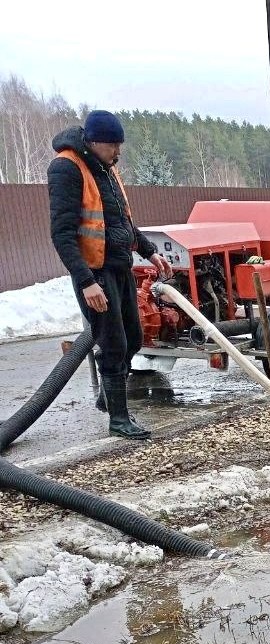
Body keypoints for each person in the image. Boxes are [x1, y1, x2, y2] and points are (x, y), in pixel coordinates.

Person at [47, 110, 172, 440]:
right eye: (113, 146)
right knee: (114, 343)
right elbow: (62, 233)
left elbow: (123, 221)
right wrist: (86, 281)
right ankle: (119, 419)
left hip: (119, 268)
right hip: (95, 274)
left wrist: (148, 250)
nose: (118, 153)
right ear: (93, 142)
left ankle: (108, 395)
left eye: (120, 146)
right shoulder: (67, 169)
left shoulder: (105, 168)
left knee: (132, 336)